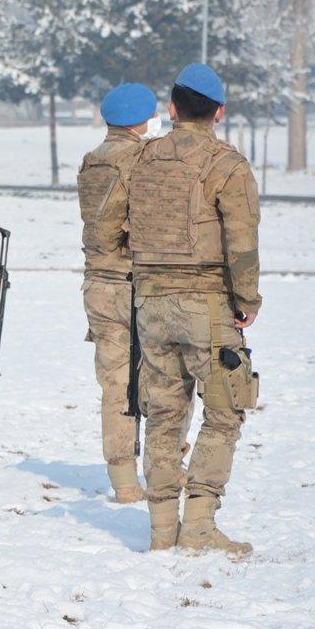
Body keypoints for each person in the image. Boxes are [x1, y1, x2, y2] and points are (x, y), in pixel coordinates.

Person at [113, 63, 260, 558]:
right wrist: (247, 301)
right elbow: (242, 242)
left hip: (151, 305)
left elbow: (107, 228)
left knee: (163, 414)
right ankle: (197, 526)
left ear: (172, 109)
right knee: (224, 413)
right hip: (208, 306)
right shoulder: (228, 165)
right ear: (219, 112)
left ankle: (161, 530)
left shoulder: (140, 159)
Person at [76, 83, 156, 503]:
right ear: (142, 120)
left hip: (97, 283)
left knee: (115, 383)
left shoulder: (92, 161)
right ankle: (165, 462)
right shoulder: (143, 159)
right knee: (161, 377)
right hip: (134, 283)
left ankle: (124, 481)